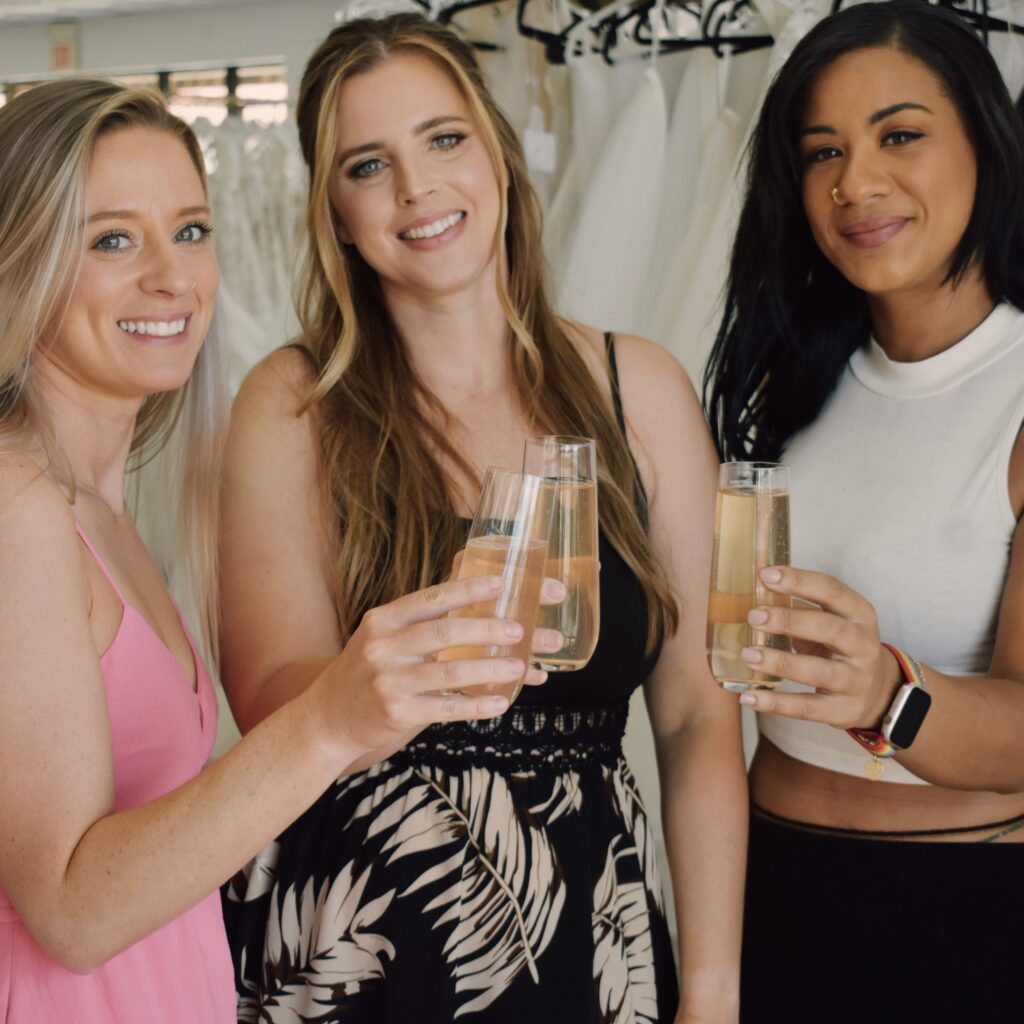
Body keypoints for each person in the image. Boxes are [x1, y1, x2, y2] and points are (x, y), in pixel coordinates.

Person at [218, 13, 746, 1024]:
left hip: (595, 936)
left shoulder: (640, 388)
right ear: (332, 211)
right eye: (367, 165)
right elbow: (272, 701)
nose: (417, 188)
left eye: (443, 138)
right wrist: (419, 649)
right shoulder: (290, 401)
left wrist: (713, 989)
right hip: (357, 931)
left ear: (498, 153)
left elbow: (694, 714)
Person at [0, 77, 555, 1023]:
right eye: (111, 239)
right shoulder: (17, 506)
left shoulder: (99, 506)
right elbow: (71, 912)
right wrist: (332, 718)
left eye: (190, 230)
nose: (172, 277)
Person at [703, 3, 1024, 1020]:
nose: (855, 183)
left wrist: (887, 692)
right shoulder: (785, 385)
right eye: (821, 152)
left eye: (899, 135)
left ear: (984, 140)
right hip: (770, 897)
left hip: (963, 916)